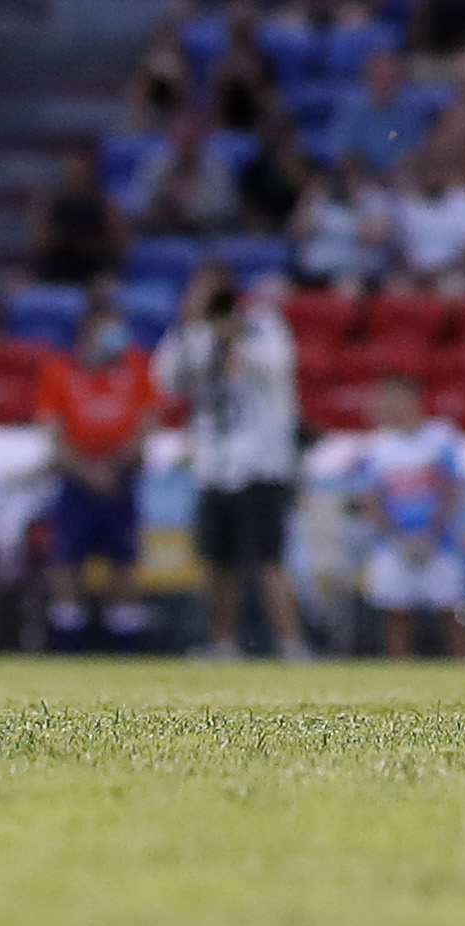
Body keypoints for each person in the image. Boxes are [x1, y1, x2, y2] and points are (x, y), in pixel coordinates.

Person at [156, 262, 308, 661]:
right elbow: (166, 380)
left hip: (258, 462)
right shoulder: (195, 335)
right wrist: (186, 328)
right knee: (218, 563)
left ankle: (292, 644)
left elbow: (279, 369)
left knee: (269, 561)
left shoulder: (262, 326)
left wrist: (237, 339)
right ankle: (222, 643)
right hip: (213, 464)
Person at [35, 293, 163, 651]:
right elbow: (51, 430)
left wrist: (114, 464)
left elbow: (148, 422)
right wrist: (87, 470)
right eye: (109, 327)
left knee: (124, 565)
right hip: (76, 482)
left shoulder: (136, 367)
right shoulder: (59, 370)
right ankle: (66, 642)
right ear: (88, 330)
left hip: (121, 481)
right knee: (65, 563)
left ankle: (126, 646)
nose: (118, 334)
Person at [355, 374, 465, 659]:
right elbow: (370, 500)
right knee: (397, 615)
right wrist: (398, 537)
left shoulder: (441, 437)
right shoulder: (377, 446)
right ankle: (400, 678)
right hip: (395, 544)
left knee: (453, 612)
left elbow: (453, 489)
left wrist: (433, 533)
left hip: (440, 543)